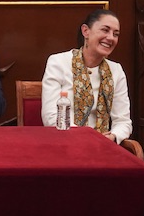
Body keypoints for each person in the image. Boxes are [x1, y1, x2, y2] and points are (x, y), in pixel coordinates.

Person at [41, 9, 132, 143]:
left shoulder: (116, 70)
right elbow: (51, 117)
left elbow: (123, 121)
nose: (111, 38)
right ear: (85, 31)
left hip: (103, 146)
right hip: (65, 143)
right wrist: (85, 138)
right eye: (105, 30)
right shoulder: (58, 63)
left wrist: (113, 136)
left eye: (116, 34)